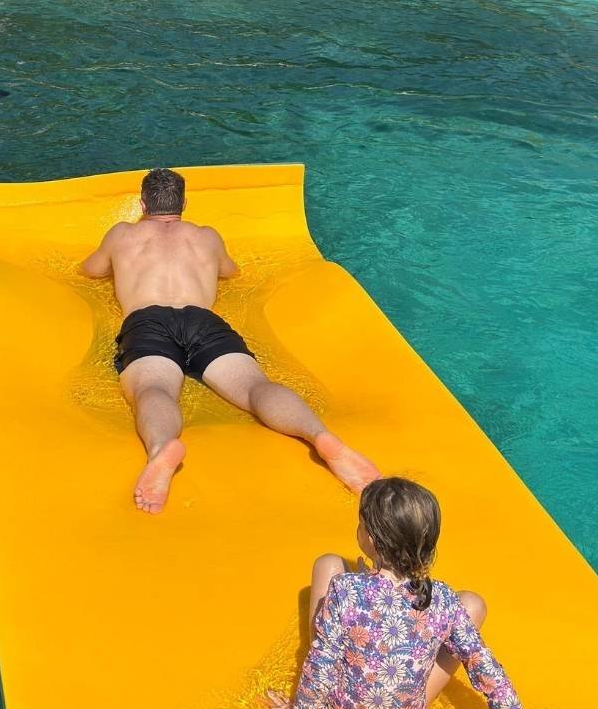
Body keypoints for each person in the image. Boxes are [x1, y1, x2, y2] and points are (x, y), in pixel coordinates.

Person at [81, 168, 379, 514]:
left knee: (153, 390)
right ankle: (318, 435)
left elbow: (91, 270)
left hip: (148, 320)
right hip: (202, 318)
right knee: (255, 387)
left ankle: (163, 447)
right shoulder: (207, 236)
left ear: (143, 203)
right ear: (184, 203)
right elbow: (230, 272)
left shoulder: (122, 234)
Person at [265, 477, 548, 709]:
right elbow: (488, 673)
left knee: (327, 563)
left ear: (370, 539)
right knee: (471, 606)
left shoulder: (345, 588)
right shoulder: (445, 600)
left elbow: (322, 661)